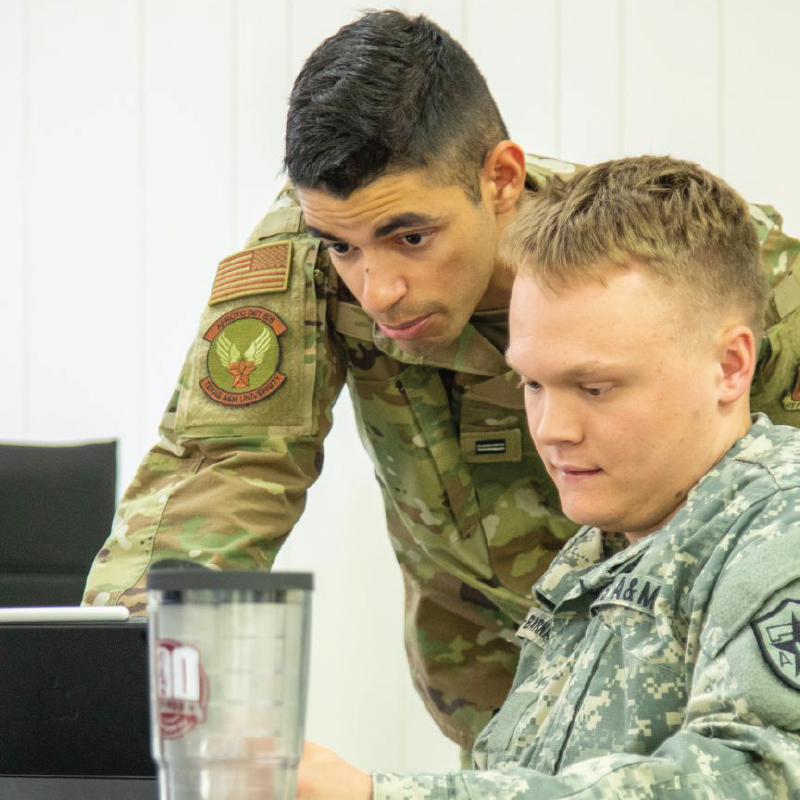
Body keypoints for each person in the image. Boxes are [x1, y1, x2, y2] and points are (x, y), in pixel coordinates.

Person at [82, 10, 800, 752]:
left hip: (693, 674)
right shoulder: (308, 252)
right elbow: (220, 470)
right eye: (343, 248)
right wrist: (123, 692)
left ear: (501, 180)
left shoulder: (680, 263)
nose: (378, 288)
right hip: (494, 696)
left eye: (412, 238)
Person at [295, 154, 800, 799]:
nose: (551, 430)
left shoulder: (779, 527)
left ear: (731, 367)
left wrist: (377, 797)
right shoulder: (596, 553)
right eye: (531, 383)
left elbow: (754, 781)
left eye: (594, 386)